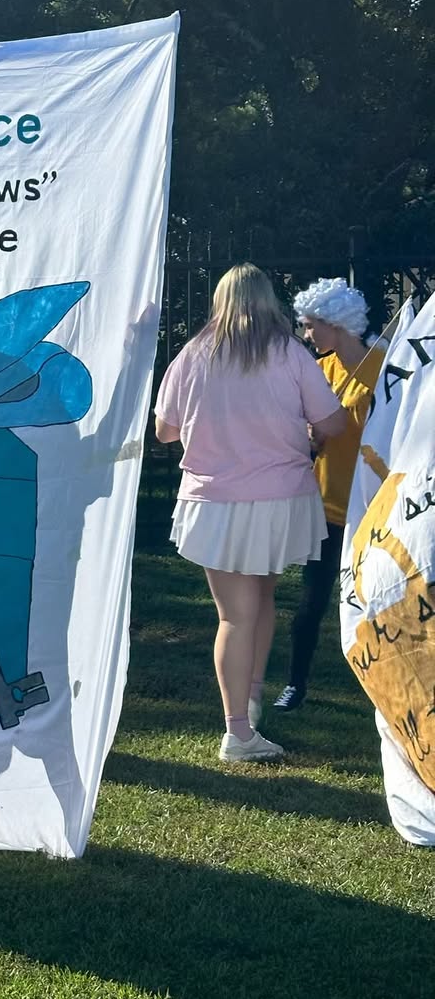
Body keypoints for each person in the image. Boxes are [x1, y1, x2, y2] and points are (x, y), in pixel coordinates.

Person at [154, 264, 347, 763]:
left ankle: (242, 722)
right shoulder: (290, 352)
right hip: (281, 496)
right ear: (268, 300)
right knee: (259, 602)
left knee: (237, 614)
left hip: (214, 500)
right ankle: (244, 719)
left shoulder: (194, 353)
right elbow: (333, 422)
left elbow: (165, 431)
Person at [273, 277, 385, 711]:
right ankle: (295, 684)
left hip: (374, 507)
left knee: (380, 600)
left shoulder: (384, 367)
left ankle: (387, 687)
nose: (306, 334)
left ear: (334, 324)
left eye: (310, 325)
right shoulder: (321, 371)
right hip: (328, 505)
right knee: (312, 600)